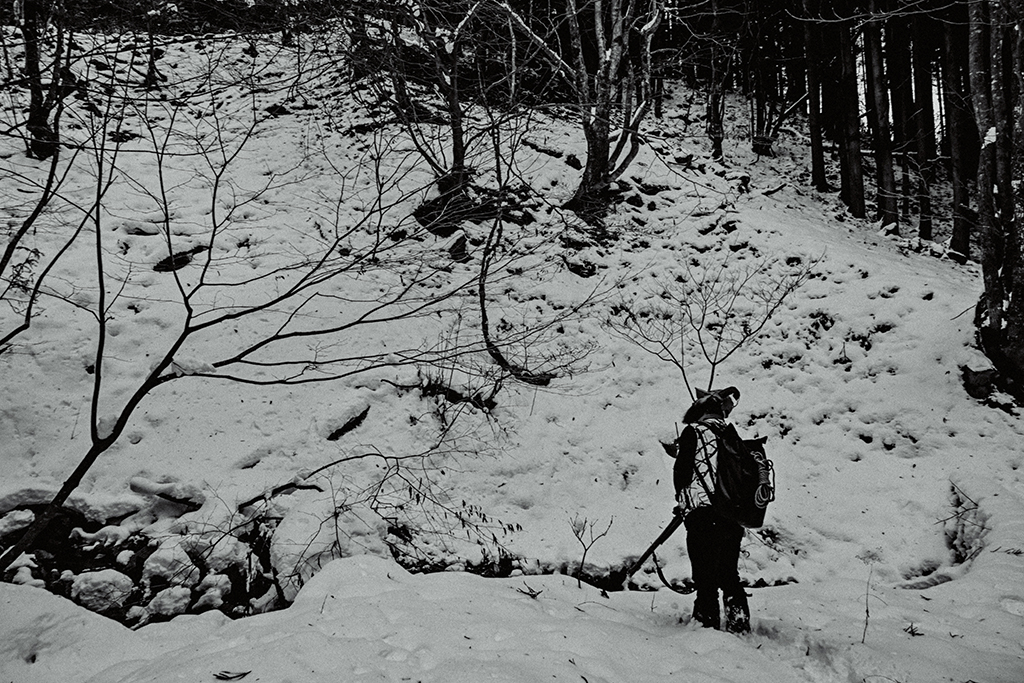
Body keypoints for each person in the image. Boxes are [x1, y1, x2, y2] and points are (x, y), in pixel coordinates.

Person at [672, 386, 751, 634]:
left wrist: (684, 502)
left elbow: (682, 473)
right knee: (729, 575)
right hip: (732, 515)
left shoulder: (693, 432)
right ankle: (739, 623)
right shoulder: (731, 435)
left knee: (705, 577)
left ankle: (706, 627)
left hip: (703, 516)